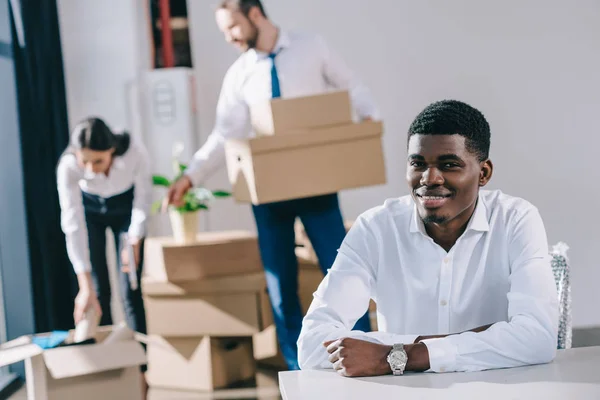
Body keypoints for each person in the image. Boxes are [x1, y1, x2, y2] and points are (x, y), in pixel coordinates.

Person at [164, 0, 379, 370]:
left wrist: (371, 123)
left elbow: (352, 86)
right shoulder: (240, 75)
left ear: (254, 14)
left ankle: (365, 353)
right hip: (270, 195)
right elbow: (224, 136)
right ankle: (301, 369)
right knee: (281, 289)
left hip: (315, 182)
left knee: (343, 273)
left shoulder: (311, 47)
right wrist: (190, 176)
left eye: (232, 27)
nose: (230, 37)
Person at [297, 100, 559, 376]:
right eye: (418, 163)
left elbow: (538, 338)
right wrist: (470, 343)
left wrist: (395, 355)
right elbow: (312, 345)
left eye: (449, 165)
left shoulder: (516, 220)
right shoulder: (376, 228)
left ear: (483, 173)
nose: (429, 178)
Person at [56, 117, 151, 368]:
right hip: (91, 215)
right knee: (97, 292)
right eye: (84, 161)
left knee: (130, 291)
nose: (89, 169)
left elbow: (143, 200)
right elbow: (72, 223)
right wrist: (83, 284)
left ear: (112, 151)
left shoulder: (134, 152)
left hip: (126, 212)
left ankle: (141, 370)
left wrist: (134, 239)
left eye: (98, 161)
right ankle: (109, 369)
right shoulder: (67, 167)